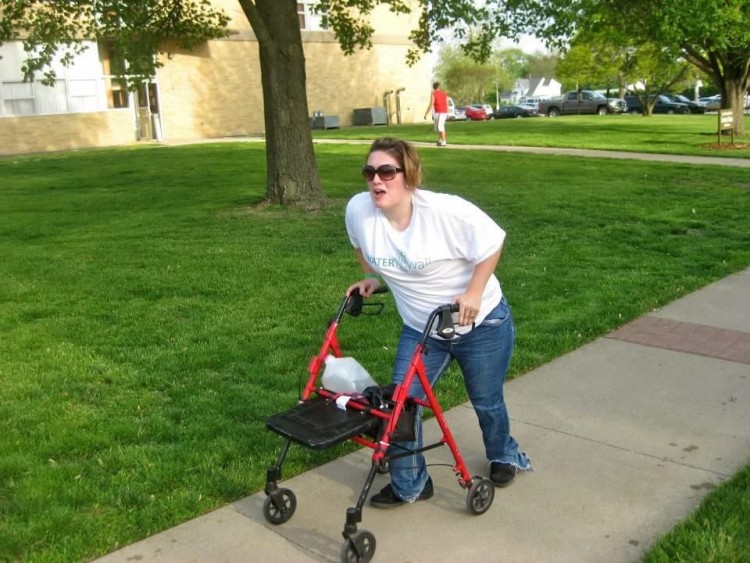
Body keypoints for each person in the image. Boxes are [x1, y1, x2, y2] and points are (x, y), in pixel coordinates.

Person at [345, 137, 531, 509]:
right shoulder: (359, 211)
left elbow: (493, 241)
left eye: (386, 171)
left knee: (486, 400)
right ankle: (411, 483)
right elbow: (362, 247)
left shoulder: (446, 213)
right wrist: (372, 278)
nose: (376, 181)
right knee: (401, 404)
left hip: (481, 325)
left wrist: (475, 292)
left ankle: (503, 454)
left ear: (409, 175)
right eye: (370, 172)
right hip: (422, 328)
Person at [424, 81, 449, 146]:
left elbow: (431, 104)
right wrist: (448, 113)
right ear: (439, 87)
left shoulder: (433, 94)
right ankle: (440, 140)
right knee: (437, 127)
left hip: (440, 112)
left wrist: (426, 113)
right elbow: (447, 103)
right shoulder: (444, 94)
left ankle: (444, 141)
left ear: (433, 87)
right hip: (441, 112)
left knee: (440, 127)